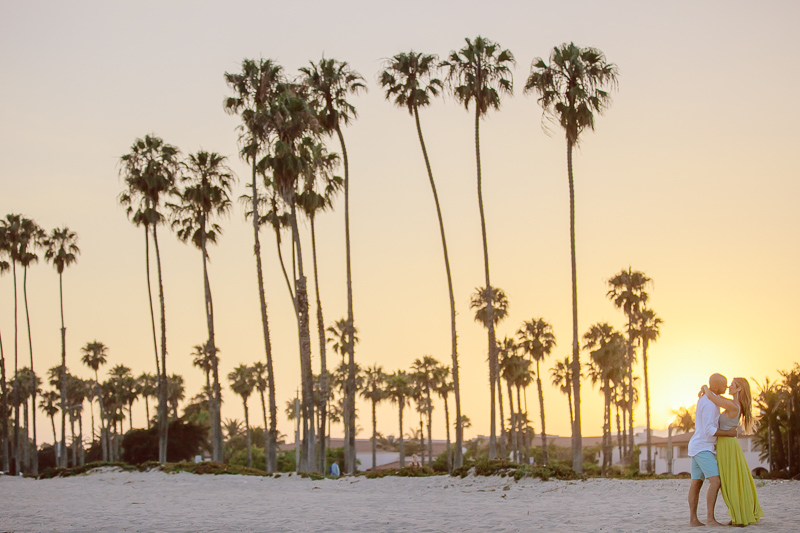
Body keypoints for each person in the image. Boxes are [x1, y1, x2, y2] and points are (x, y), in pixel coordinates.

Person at [701, 377, 764, 526]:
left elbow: (711, 396)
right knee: (731, 481)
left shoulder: (733, 406)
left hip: (728, 445)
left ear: (739, 389)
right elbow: (718, 397)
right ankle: (738, 513)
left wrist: (704, 387)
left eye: (733, 385)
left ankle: (739, 515)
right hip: (726, 445)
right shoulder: (734, 404)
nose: (729, 386)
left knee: (731, 481)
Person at [687, 373, 739, 527]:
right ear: (715, 387)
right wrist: (729, 433)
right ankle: (710, 519)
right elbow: (710, 430)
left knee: (696, 484)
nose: (727, 387)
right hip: (703, 448)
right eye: (724, 385)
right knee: (715, 481)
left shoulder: (707, 399)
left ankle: (693, 520)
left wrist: (704, 387)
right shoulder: (709, 403)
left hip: (697, 446)